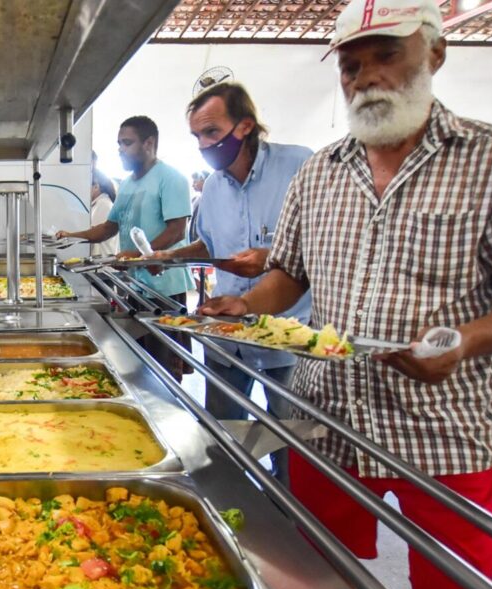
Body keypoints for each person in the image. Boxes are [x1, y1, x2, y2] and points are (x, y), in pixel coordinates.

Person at [201, 1, 492, 589]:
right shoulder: (322, 172)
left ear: (435, 53)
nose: (366, 77)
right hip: (329, 418)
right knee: (322, 586)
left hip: (444, 424)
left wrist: (466, 339)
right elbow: (289, 272)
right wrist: (247, 302)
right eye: (351, 66)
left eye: (386, 57)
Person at [150, 82, 314, 481]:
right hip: (228, 334)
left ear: (244, 126)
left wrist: (271, 257)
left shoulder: (301, 167)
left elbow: (327, 244)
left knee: (289, 440)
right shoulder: (213, 188)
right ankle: (230, 507)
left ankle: (293, 523)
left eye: (211, 132)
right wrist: (169, 257)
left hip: (284, 336)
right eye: (197, 136)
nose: (204, 144)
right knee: (223, 436)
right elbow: (207, 242)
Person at [57, 116, 193, 375]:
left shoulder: (171, 178)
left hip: (165, 286)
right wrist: (71, 235)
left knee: (164, 362)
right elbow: (109, 227)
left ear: (149, 143)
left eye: (127, 143)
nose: (120, 149)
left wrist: (139, 256)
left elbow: (177, 230)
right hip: (137, 284)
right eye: (119, 143)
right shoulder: (129, 183)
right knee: (139, 360)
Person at [87, 169, 118, 258]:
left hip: (102, 262)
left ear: (96, 187)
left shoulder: (103, 204)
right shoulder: (97, 204)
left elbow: (92, 234)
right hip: (100, 261)